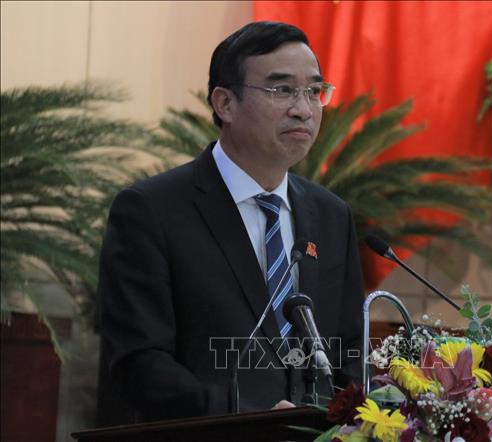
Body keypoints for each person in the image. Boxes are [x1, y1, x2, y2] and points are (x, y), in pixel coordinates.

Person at [98, 21, 365, 422]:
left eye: (314, 91)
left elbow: (349, 351)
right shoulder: (152, 210)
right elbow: (139, 361)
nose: (304, 109)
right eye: (282, 90)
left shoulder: (331, 215)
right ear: (225, 104)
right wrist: (249, 419)